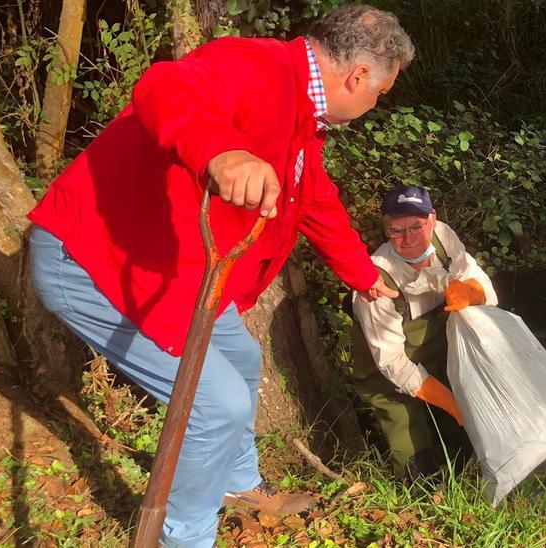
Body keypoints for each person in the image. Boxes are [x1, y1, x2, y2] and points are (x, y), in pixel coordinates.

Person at [26, 6, 412, 546]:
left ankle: (237, 484)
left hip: (169, 272)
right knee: (218, 403)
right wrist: (222, 152)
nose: (374, 105)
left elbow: (314, 199)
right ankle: (183, 537)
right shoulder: (256, 66)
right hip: (91, 261)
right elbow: (165, 86)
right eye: (380, 93)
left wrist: (361, 274)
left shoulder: (303, 115)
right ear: (358, 79)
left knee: (244, 359)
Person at [349, 186, 496, 479]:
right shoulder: (375, 281)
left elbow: (482, 288)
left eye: (416, 226)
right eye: (396, 230)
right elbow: (393, 363)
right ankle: (419, 495)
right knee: (416, 459)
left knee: (465, 441)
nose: (408, 239)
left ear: (432, 219)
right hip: (389, 376)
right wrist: (449, 403)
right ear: (385, 228)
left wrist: (471, 292)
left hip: (439, 355)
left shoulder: (443, 237)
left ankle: (465, 482)